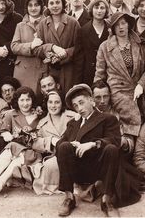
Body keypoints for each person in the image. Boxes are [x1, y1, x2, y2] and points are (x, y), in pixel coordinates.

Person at [55, 84, 121, 217]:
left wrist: (93, 143)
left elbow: (114, 140)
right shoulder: (73, 123)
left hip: (100, 169)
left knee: (111, 149)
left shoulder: (107, 119)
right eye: (75, 106)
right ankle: (69, 198)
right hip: (79, 170)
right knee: (63, 147)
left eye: (81, 103)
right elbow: (59, 143)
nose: (79, 108)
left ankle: (106, 201)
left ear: (91, 100)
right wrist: (70, 143)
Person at [94, 12, 145, 154]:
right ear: (112, 28)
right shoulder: (105, 47)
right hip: (116, 93)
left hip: (138, 92)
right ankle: (128, 152)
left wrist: (142, 84)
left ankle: (138, 157)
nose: (121, 27)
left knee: (143, 126)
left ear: (129, 24)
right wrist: (98, 96)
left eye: (123, 23)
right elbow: (99, 74)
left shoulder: (140, 44)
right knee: (125, 124)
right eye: (117, 25)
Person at [0, 86, 41, 194]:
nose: (25, 103)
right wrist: (6, 134)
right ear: (17, 101)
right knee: (11, 150)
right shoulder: (11, 114)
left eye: (28, 99)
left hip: (33, 152)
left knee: (18, 155)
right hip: (15, 149)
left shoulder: (39, 116)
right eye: (22, 100)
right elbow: (3, 130)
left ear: (32, 100)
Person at [31, 90, 78, 195]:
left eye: (57, 102)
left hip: (72, 153)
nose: (53, 105)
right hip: (54, 155)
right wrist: (50, 140)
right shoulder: (42, 123)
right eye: (50, 102)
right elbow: (35, 142)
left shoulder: (73, 116)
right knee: (49, 164)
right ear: (46, 104)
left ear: (62, 103)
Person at [36, 0, 80, 94]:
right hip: (49, 71)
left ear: (63, 4)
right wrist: (51, 47)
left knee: (68, 97)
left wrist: (66, 52)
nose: (55, 6)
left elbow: (79, 47)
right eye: (51, 3)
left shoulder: (73, 23)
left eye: (57, 2)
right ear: (47, 6)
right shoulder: (42, 24)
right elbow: (37, 49)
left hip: (68, 70)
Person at [11, 0, 47, 92]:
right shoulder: (20, 25)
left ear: (41, 7)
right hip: (23, 71)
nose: (33, 8)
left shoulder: (47, 23)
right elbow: (14, 46)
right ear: (26, 8)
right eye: (30, 5)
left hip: (42, 68)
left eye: (36, 5)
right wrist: (30, 45)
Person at [74, 0, 109, 86]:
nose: (99, 11)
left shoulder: (110, 29)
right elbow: (79, 59)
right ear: (91, 9)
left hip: (108, 73)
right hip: (89, 74)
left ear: (106, 10)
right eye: (96, 8)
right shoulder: (83, 31)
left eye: (102, 8)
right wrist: (78, 82)